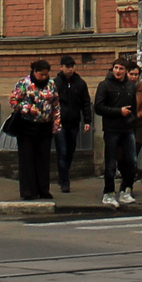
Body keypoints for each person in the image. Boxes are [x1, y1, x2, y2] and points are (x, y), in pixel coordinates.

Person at [93, 55, 142, 209]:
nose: (118, 71)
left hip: (127, 129)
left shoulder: (129, 86)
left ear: (126, 71)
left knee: (132, 161)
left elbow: (133, 107)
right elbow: (98, 107)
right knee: (110, 163)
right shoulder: (105, 85)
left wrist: (132, 120)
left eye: (121, 69)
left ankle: (126, 190)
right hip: (112, 129)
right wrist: (118, 111)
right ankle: (108, 193)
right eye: (116, 68)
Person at [8, 58, 58, 201]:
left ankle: (43, 190)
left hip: (45, 126)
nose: (44, 77)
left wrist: (56, 123)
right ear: (34, 72)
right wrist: (28, 108)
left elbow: (56, 103)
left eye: (46, 74)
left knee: (43, 159)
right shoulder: (24, 83)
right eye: (41, 74)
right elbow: (13, 100)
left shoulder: (51, 84)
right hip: (27, 127)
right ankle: (28, 191)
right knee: (27, 159)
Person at [51, 54, 92, 194]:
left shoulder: (80, 83)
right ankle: (65, 181)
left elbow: (86, 103)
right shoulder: (55, 83)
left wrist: (87, 120)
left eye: (72, 67)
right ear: (61, 67)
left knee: (70, 151)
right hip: (59, 123)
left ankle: (63, 174)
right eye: (67, 67)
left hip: (74, 122)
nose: (70, 69)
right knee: (62, 151)